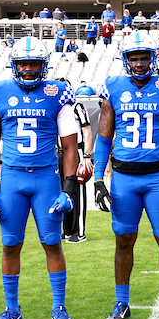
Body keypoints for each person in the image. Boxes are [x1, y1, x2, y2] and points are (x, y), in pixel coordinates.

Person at [0, 37, 79, 319]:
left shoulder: (57, 92)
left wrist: (68, 189)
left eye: (33, 63)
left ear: (43, 65)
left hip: (46, 178)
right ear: (14, 65)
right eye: (23, 63)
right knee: (10, 245)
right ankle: (11, 309)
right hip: (12, 178)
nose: (28, 69)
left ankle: (59, 307)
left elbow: (70, 147)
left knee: (52, 243)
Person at [92, 33, 159, 319]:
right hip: (124, 178)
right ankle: (122, 303)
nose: (139, 63)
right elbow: (103, 138)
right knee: (123, 239)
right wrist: (98, 180)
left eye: (143, 58)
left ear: (153, 58)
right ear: (126, 60)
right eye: (134, 58)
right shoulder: (113, 87)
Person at [62, 94, 92, 244]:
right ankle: (67, 230)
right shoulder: (55, 106)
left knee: (77, 191)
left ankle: (79, 232)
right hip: (60, 153)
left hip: (76, 151)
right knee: (63, 192)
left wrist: (86, 155)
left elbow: (87, 131)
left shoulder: (77, 107)